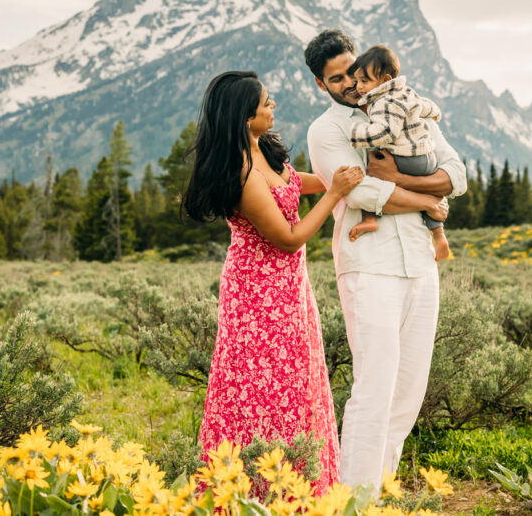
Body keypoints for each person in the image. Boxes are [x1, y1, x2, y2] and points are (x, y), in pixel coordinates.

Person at [183, 70, 364, 494]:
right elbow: (288, 238)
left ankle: (300, 488)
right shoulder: (241, 173)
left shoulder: (264, 151)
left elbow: (297, 184)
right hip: (256, 295)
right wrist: (335, 195)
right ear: (246, 117)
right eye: (266, 102)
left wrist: (345, 178)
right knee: (258, 389)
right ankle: (254, 492)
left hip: (288, 292)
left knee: (295, 383)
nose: (273, 105)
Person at [304, 30, 467, 489]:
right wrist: (426, 199)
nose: (351, 86)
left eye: (352, 72)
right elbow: (360, 190)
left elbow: (458, 173)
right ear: (321, 84)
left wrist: (404, 181)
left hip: (420, 262)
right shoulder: (326, 131)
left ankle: (380, 490)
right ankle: (354, 500)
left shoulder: (408, 105)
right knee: (374, 388)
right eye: (337, 80)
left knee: (408, 393)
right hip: (368, 265)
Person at [345, 45, 451, 262]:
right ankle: (438, 234)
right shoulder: (407, 93)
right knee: (431, 195)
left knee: (374, 171)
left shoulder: (384, 102)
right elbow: (426, 107)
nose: (359, 87)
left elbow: (385, 132)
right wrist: (436, 113)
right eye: (357, 81)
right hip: (426, 158)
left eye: (365, 81)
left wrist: (355, 133)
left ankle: (369, 217)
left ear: (384, 80)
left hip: (406, 158)